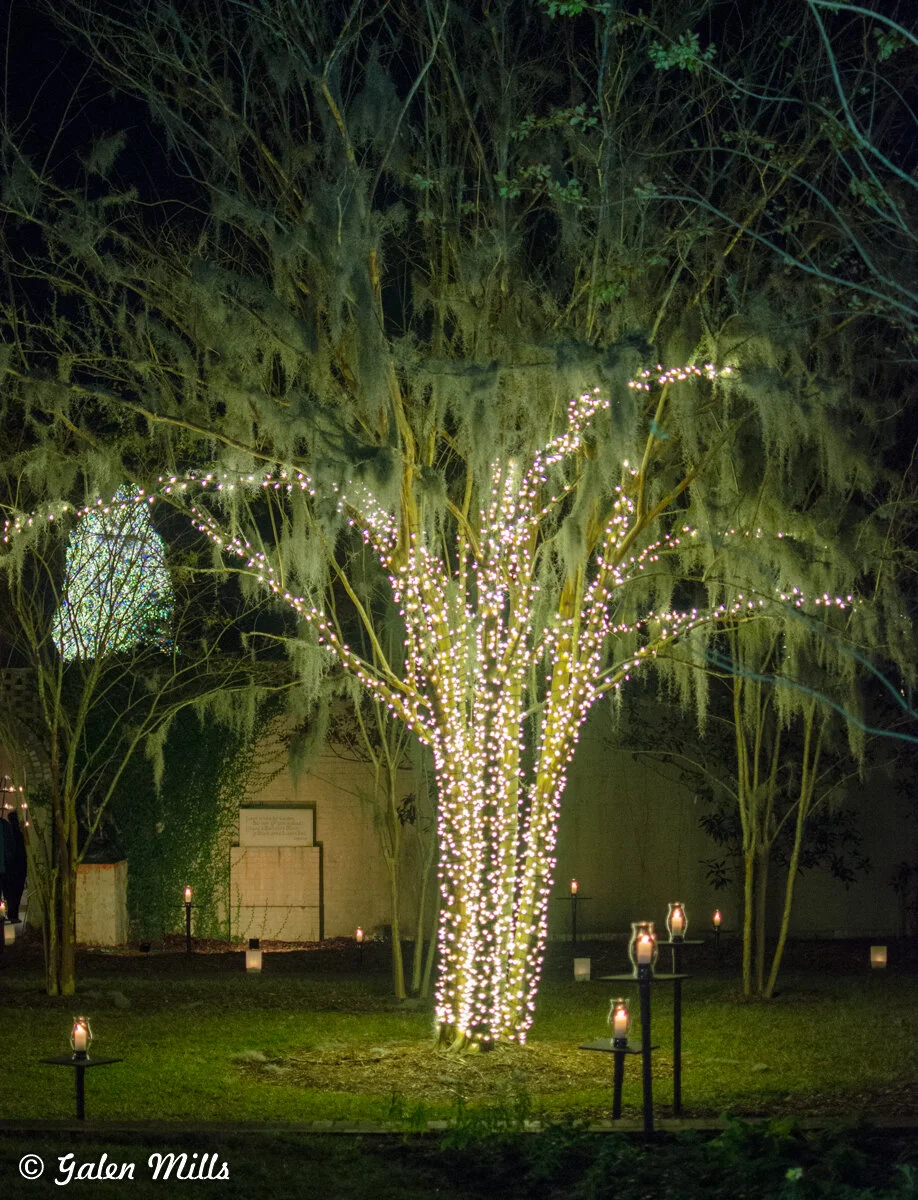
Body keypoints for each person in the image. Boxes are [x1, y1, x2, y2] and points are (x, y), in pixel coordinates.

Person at [2, 808, 26, 922]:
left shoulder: (7, 828)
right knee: (14, 893)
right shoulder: (18, 833)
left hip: (9, 867)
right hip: (14, 868)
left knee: (9, 892)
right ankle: (12, 915)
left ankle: (10, 914)